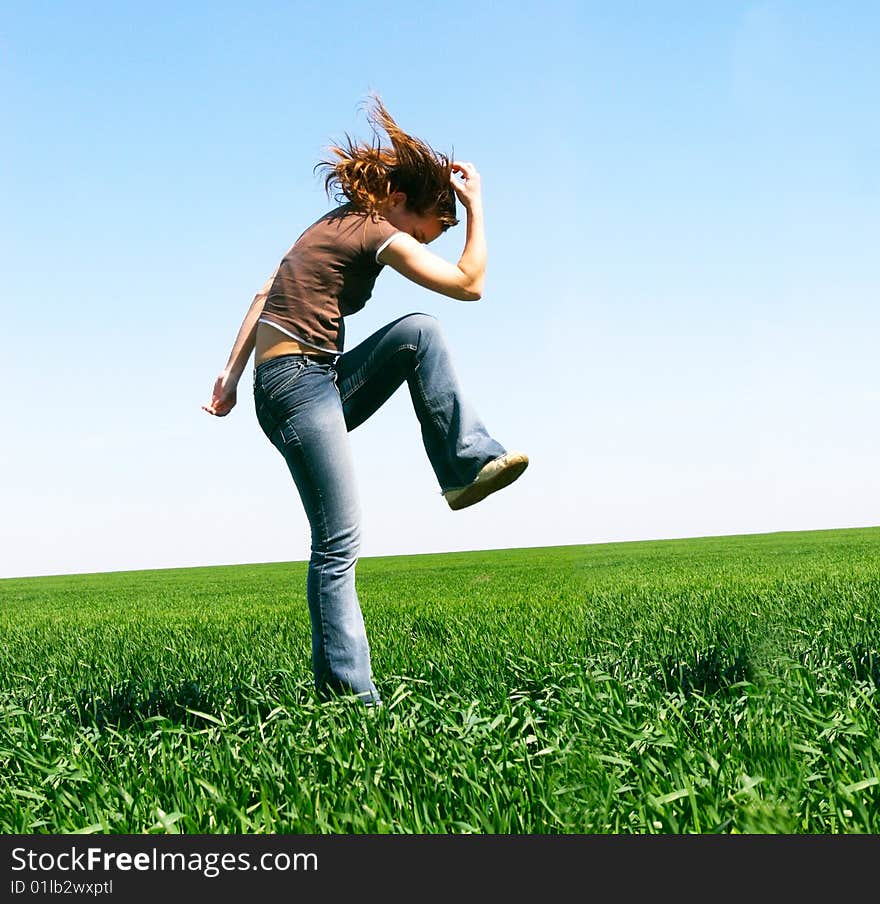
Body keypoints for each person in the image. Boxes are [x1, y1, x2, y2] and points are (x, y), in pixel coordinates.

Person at [202, 94, 528, 707]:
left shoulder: (330, 226)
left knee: (418, 333)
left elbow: (265, 291)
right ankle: (351, 705)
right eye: (435, 226)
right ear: (401, 203)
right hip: (298, 385)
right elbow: (470, 283)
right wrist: (478, 206)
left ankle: (464, 466)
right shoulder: (376, 229)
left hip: (311, 380)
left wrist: (229, 375)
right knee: (338, 542)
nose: (429, 239)